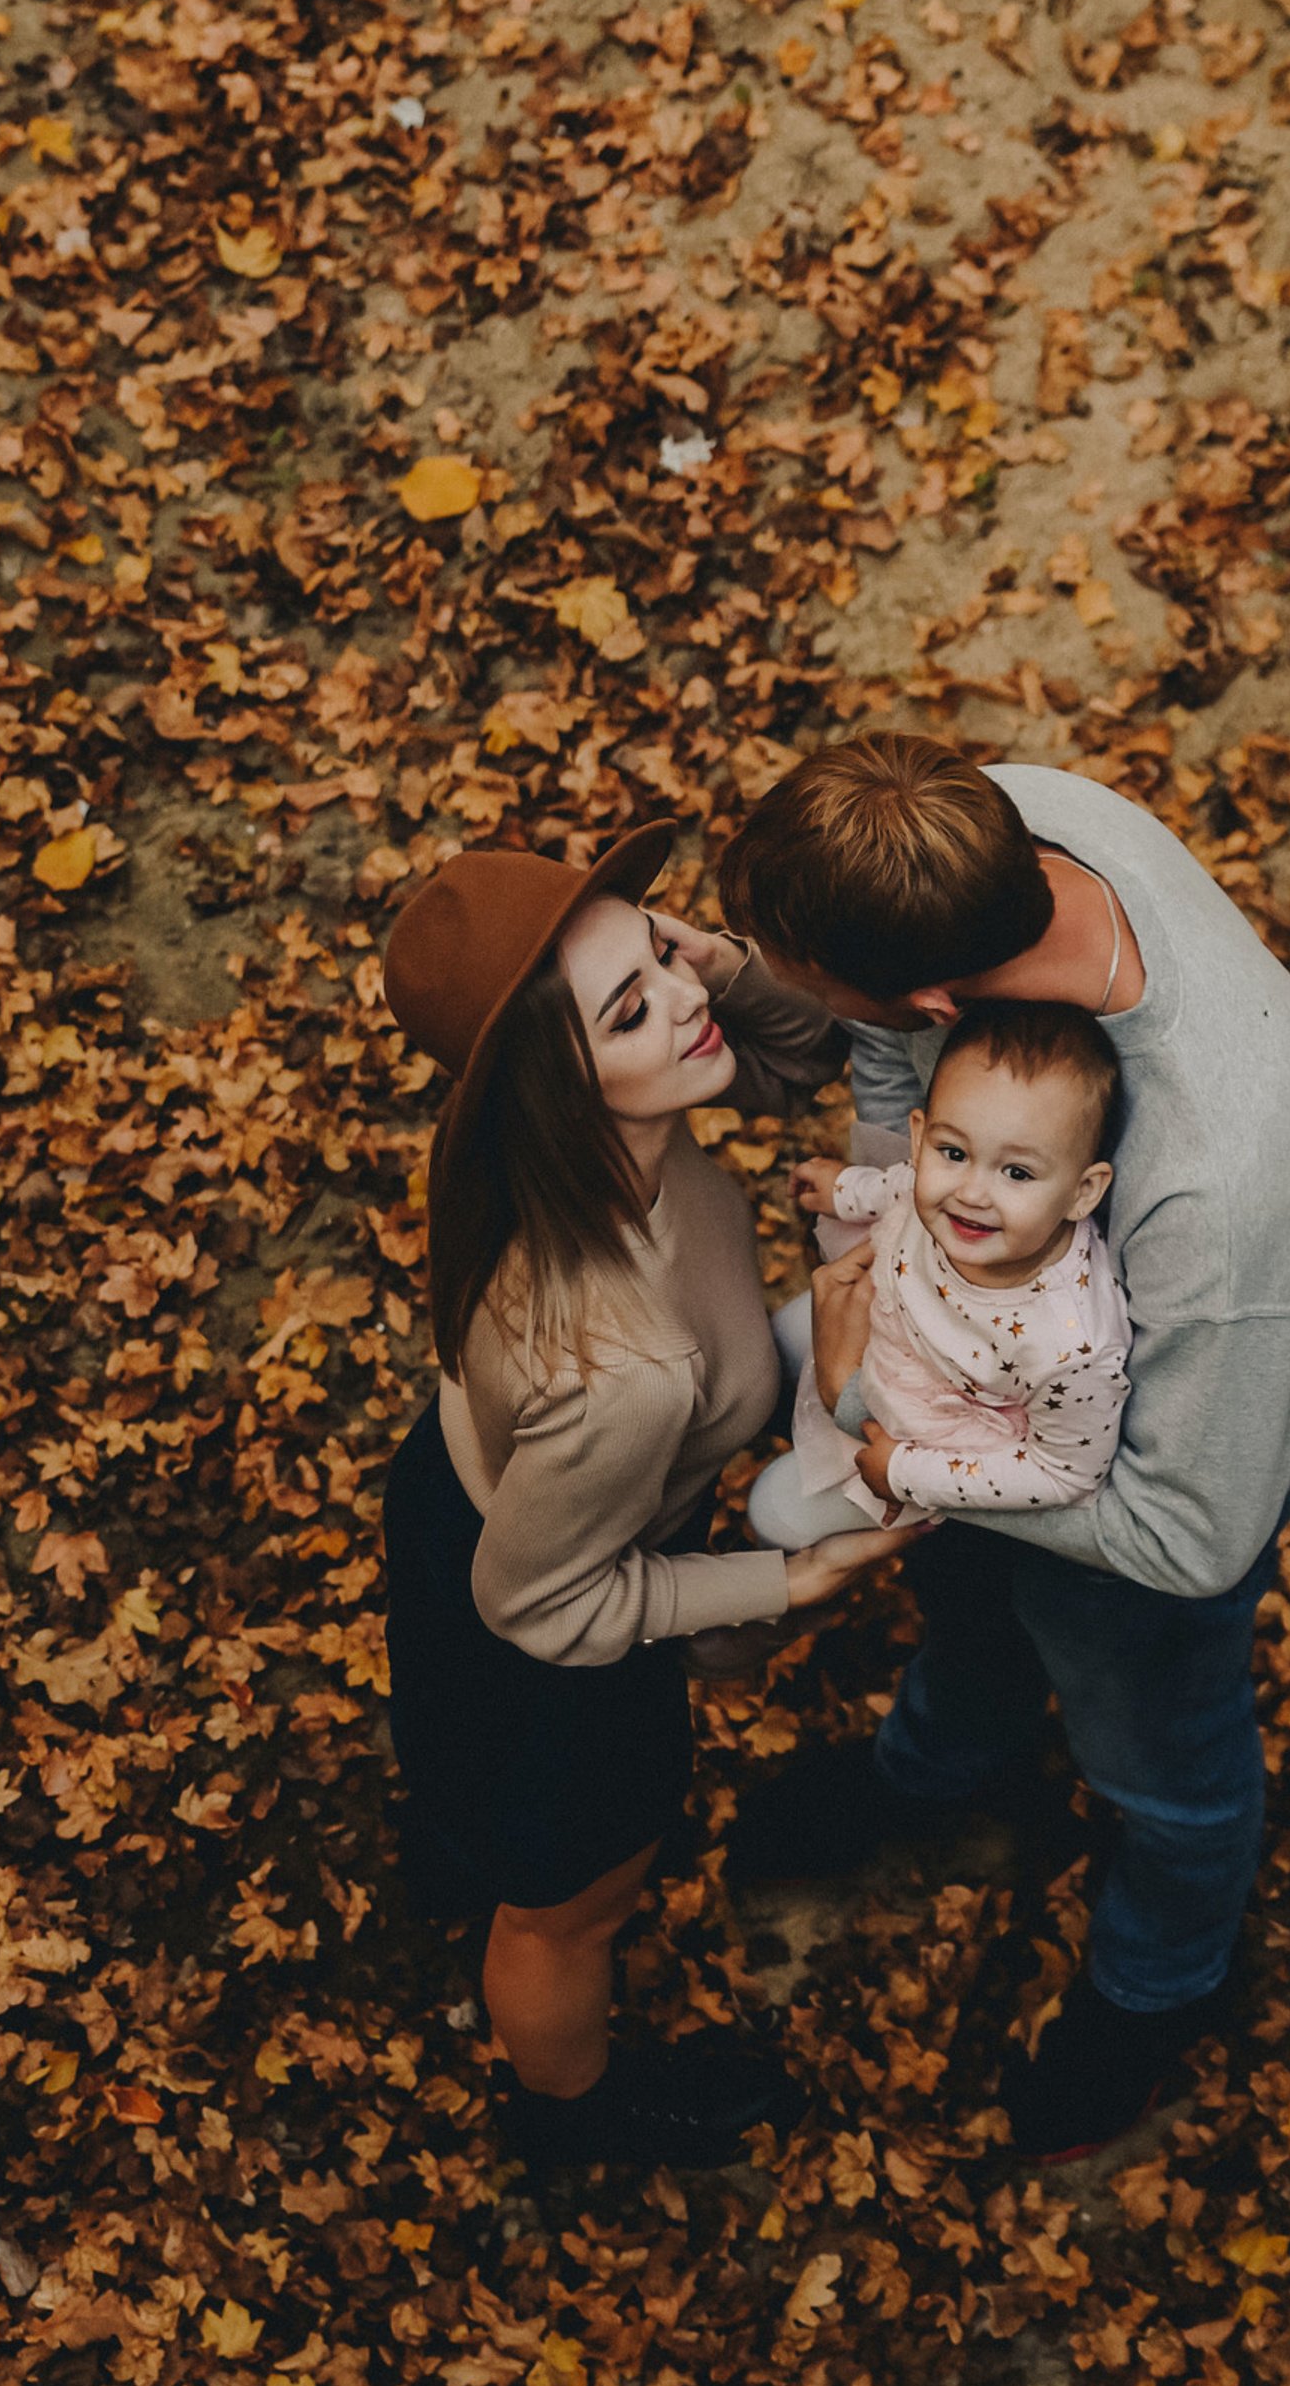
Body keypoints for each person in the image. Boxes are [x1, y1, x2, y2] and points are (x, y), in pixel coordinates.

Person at [717, 734, 1290, 2159]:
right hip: (975, 1384)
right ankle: (941, 1764)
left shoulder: (1224, 1180)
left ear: (944, 989)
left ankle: (1157, 1982)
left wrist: (892, 1449)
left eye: (814, 988)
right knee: (966, 1602)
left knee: (1161, 1754)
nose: (802, 1005)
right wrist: (877, 1237)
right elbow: (894, 1062)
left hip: (1166, 1460)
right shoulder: (986, 831)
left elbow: (1184, 1532)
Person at [380, 824, 914, 2172]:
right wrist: (783, 1584)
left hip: (495, 1489)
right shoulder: (624, 1368)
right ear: (559, 1084)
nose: (688, 1002)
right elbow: (538, 1604)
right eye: (633, 1006)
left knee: (489, 1814)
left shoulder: (591, 1151)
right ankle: (573, 2122)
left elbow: (816, 1048)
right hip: (552, 1615)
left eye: (657, 949)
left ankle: (467, 1845)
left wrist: (706, 959)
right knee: (574, 1901)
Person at [746, 999, 1131, 1545]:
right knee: (785, 1339)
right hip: (894, 1332)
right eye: (952, 1152)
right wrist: (843, 1190)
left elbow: (1065, 1472)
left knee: (774, 1515)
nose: (970, 1194)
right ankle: (769, 1417)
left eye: (1017, 1172)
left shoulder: (1071, 1351)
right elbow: (900, 1183)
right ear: (922, 1134)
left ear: (1082, 1191)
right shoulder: (951, 1195)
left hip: (937, 1435)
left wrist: (904, 1473)